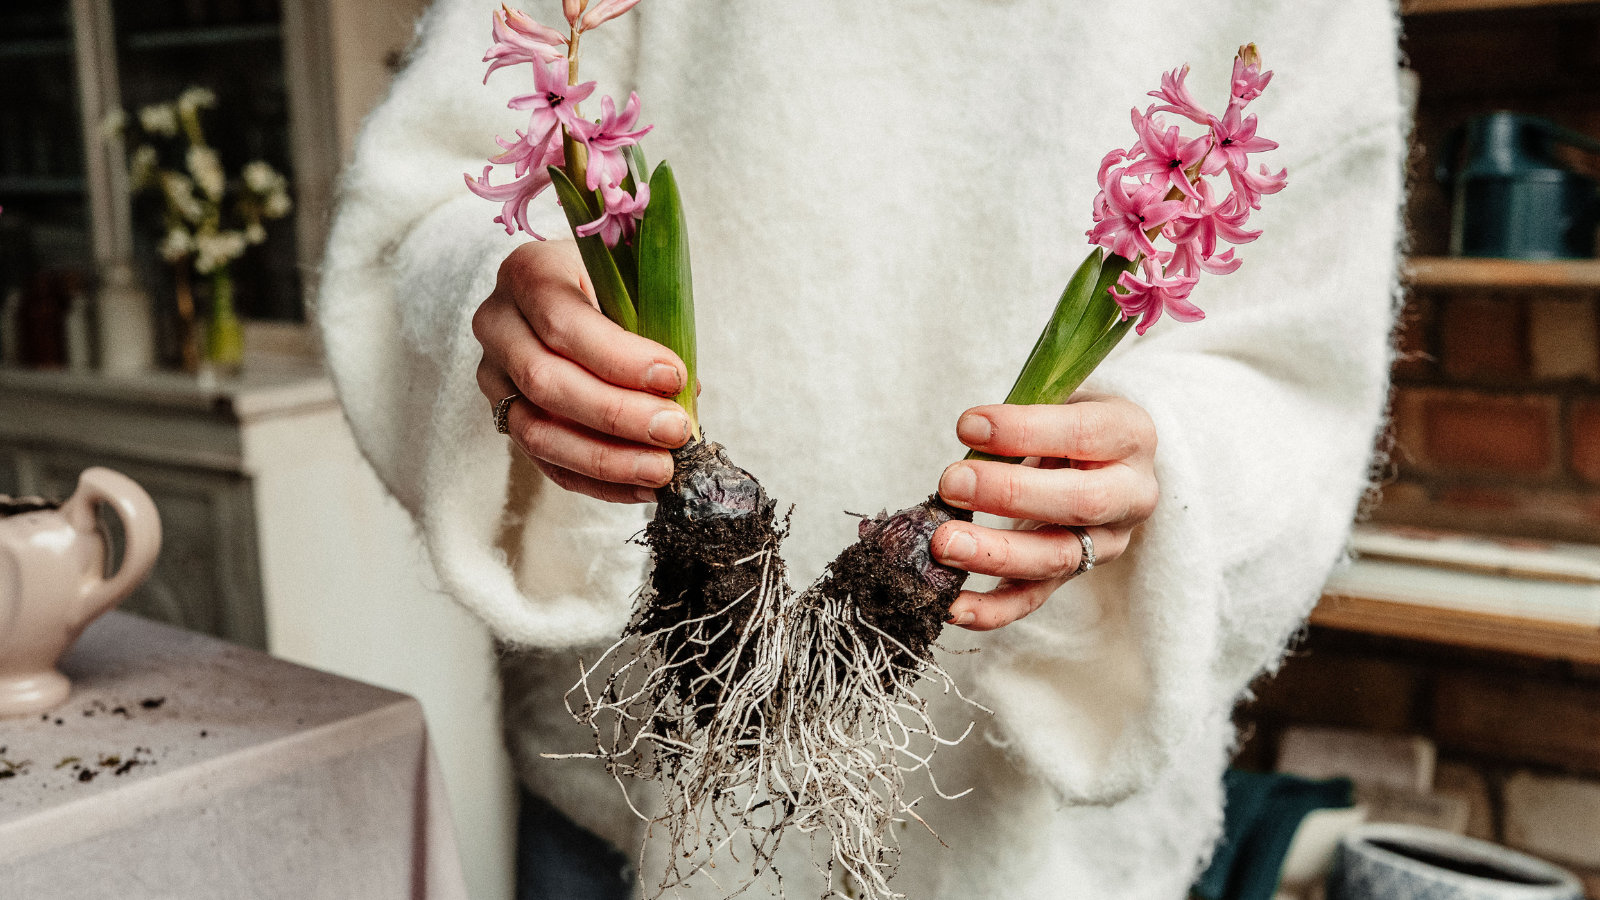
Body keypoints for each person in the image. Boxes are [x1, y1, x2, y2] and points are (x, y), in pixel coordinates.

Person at [318, 0, 1406, 897]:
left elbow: (1300, 369)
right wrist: (489, 305)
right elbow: (428, 205)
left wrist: (1165, 472)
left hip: (1030, 843)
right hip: (625, 792)